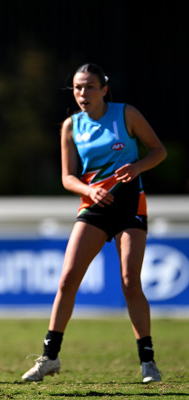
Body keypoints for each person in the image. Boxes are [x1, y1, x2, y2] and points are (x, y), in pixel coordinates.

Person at [21, 63, 167, 383]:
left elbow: (159, 151)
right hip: (94, 206)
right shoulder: (71, 126)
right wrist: (90, 190)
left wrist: (138, 167)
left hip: (130, 206)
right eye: (77, 88)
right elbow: (67, 178)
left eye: (89, 87)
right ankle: (49, 357)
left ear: (104, 90)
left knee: (130, 281)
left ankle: (147, 361)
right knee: (67, 279)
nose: (82, 94)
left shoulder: (126, 114)